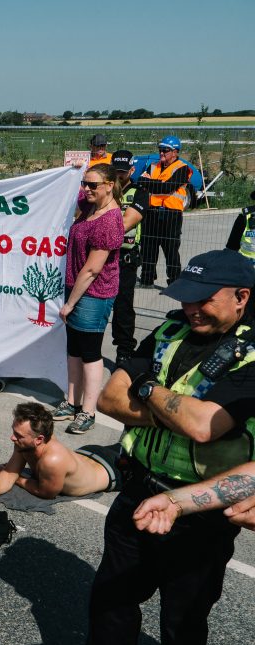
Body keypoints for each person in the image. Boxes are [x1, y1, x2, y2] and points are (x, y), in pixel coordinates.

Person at [73, 249, 255, 645]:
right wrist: (173, 408)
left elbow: (203, 426)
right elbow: (109, 400)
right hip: (137, 492)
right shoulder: (172, 326)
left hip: (201, 512)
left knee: (182, 622)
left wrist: (146, 385)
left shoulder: (251, 352)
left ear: (242, 297)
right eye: (186, 297)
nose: (190, 308)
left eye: (203, 299)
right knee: (111, 599)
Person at [51, 163, 122, 434]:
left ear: (109, 185)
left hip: (94, 294)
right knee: (74, 350)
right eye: (85, 183)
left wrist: (69, 304)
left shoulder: (110, 221)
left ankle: (88, 411)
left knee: (90, 353)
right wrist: (71, 171)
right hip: (76, 288)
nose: (86, 189)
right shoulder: (91, 205)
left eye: (93, 185)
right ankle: (71, 402)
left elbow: (92, 270)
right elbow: (69, 192)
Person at [0, 402, 119, 504]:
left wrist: (17, 478)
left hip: (112, 470)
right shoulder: (25, 442)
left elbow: (46, 493)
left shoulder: (52, 460)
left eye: (18, 435)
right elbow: (10, 472)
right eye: (14, 431)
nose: (12, 438)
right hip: (88, 452)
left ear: (39, 440)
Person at [110, 150, 149, 367]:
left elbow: (127, 222)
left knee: (123, 306)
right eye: (116, 170)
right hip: (103, 254)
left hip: (125, 257)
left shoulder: (140, 192)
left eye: (123, 172)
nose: (119, 175)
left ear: (132, 170)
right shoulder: (104, 189)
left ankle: (124, 351)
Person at [137, 135, 192, 288]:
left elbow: (168, 188)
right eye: (160, 149)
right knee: (148, 246)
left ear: (175, 152)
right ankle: (146, 280)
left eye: (165, 150)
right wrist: (158, 184)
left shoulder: (182, 168)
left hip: (171, 213)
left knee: (171, 249)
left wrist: (152, 183)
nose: (161, 153)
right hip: (152, 211)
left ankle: (174, 282)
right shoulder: (153, 165)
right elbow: (141, 182)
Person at [225, 186, 255, 262]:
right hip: (247, 266)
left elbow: (232, 246)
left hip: (246, 267)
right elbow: (232, 247)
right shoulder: (244, 216)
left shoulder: (244, 215)